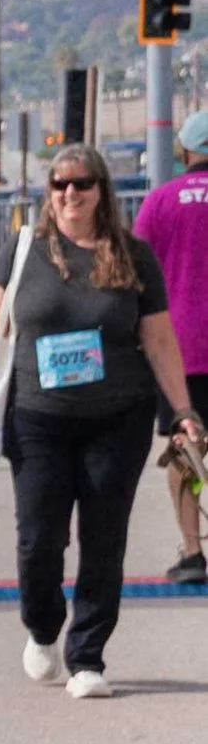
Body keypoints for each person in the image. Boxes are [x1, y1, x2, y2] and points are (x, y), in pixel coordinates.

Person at [0, 141, 199, 697]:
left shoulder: (133, 256)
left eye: (82, 183)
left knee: (104, 538)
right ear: (51, 192)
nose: (71, 193)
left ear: (100, 191)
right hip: (38, 419)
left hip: (119, 418)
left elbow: (158, 339)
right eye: (60, 184)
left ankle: (87, 656)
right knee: (39, 539)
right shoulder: (23, 250)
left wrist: (182, 410)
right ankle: (43, 628)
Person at [128, 107, 208, 586]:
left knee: (186, 451)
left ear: (185, 150)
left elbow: (133, 276)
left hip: (178, 353)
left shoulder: (159, 203)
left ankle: (193, 551)